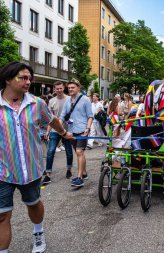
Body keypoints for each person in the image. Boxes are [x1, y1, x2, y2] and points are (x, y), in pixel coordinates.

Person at [0, 61, 73, 253]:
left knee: (33, 206)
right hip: (2, 171)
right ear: (8, 79)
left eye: (29, 78)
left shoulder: (37, 104)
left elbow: (53, 120)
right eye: (22, 78)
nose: (28, 82)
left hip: (31, 170)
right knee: (2, 216)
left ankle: (38, 232)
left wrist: (64, 133)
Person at [60, 79, 93, 188]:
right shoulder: (67, 101)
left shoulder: (85, 100)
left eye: (72, 87)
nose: (70, 89)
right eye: (69, 88)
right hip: (71, 131)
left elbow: (90, 116)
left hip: (83, 130)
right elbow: (62, 116)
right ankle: (84, 172)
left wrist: (87, 129)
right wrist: (58, 128)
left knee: (79, 151)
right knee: (79, 153)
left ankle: (80, 178)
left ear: (78, 88)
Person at [42, 81, 73, 185]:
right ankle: (48, 175)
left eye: (61, 88)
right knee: (50, 151)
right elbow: (50, 119)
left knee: (69, 152)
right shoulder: (51, 101)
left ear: (63, 88)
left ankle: (69, 169)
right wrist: (47, 131)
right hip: (55, 130)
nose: (59, 90)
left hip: (67, 130)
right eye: (57, 89)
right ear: (54, 89)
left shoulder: (69, 99)